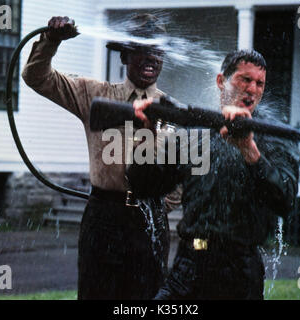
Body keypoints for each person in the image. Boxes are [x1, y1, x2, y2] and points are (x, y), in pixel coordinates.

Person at [22, 14, 176, 300]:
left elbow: (180, 174)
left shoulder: (171, 110)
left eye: (157, 51)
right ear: (125, 56)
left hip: (150, 220)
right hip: (104, 216)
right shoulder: (94, 95)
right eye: (142, 49)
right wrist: (51, 41)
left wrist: (157, 207)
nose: (151, 58)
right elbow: (36, 77)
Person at [127, 50, 300, 299]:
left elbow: (285, 201)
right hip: (189, 265)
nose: (252, 89)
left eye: (259, 83)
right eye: (244, 79)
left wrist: (250, 152)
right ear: (222, 81)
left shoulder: (275, 137)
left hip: (239, 272)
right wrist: (145, 135)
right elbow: (144, 186)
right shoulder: (195, 129)